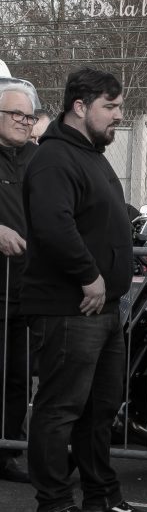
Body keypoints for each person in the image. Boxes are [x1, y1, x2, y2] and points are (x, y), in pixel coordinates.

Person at [22, 68, 146, 512]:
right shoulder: (55, 158)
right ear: (80, 106)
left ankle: (101, 497)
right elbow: (54, 225)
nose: (118, 116)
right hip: (72, 307)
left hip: (106, 307)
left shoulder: (90, 154)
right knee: (61, 408)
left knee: (100, 409)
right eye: (110, 107)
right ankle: (53, 504)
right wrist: (90, 276)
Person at [0, 83, 39, 483]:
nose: (23, 122)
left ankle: (10, 449)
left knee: (18, 374)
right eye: (15, 115)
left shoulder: (41, 160)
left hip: (27, 290)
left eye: (28, 116)